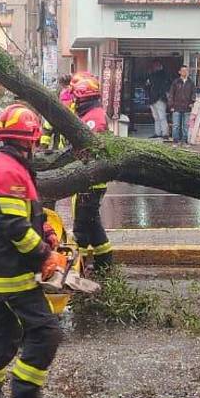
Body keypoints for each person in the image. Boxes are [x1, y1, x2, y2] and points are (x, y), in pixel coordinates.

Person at [0, 104, 64, 398]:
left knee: (3, 338)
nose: (36, 147)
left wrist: (48, 232)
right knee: (46, 331)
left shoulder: (14, 167)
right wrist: (44, 254)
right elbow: (15, 228)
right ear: (28, 140)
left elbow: (27, 213)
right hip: (12, 272)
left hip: (5, 270)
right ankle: (25, 394)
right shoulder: (9, 170)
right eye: (34, 142)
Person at [70, 74, 113, 269]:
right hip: (89, 179)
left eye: (77, 98)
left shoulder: (93, 118)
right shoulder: (89, 113)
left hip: (91, 181)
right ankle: (104, 263)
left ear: (84, 98)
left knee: (81, 226)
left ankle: (75, 267)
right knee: (93, 224)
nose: (74, 101)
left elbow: (87, 149)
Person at [168, 65, 196, 145]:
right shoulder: (175, 82)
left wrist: (192, 102)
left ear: (188, 72)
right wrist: (171, 105)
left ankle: (185, 141)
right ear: (179, 72)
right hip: (176, 106)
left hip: (187, 106)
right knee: (176, 125)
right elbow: (171, 94)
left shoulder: (191, 82)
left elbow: (193, 93)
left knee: (186, 126)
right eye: (183, 70)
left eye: (186, 70)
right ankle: (175, 141)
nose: (184, 72)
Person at [145, 62, 171, 139]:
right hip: (158, 98)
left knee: (159, 117)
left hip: (156, 98)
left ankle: (162, 133)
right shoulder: (163, 76)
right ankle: (161, 133)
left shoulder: (156, 76)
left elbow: (147, 86)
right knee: (159, 117)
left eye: (155, 66)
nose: (154, 67)